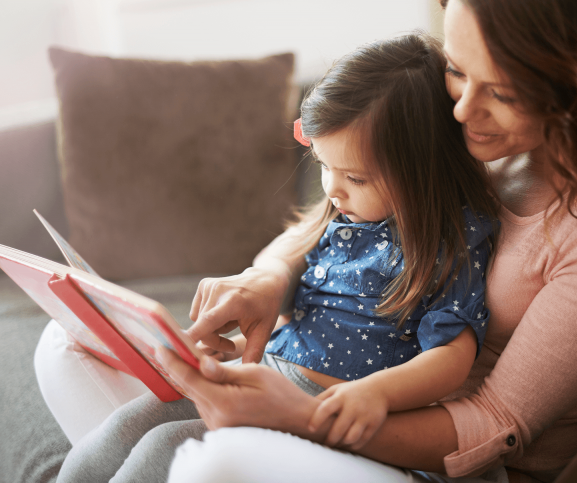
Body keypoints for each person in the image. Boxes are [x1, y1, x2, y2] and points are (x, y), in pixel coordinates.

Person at [35, 0, 577, 481]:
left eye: (504, 93)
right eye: (458, 70)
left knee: (203, 461)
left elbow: (492, 423)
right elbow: (338, 218)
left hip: (430, 455)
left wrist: (301, 416)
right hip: (314, 381)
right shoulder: (477, 132)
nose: (462, 111)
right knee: (66, 348)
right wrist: (269, 278)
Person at [40, 32, 501, 482]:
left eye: (356, 178)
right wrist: (231, 350)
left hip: (324, 404)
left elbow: (450, 358)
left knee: (166, 448)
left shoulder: (452, 243)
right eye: (324, 166)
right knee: (130, 425)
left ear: (425, 170)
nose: (332, 189)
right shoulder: (344, 219)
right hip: (267, 371)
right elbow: (307, 324)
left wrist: (374, 394)